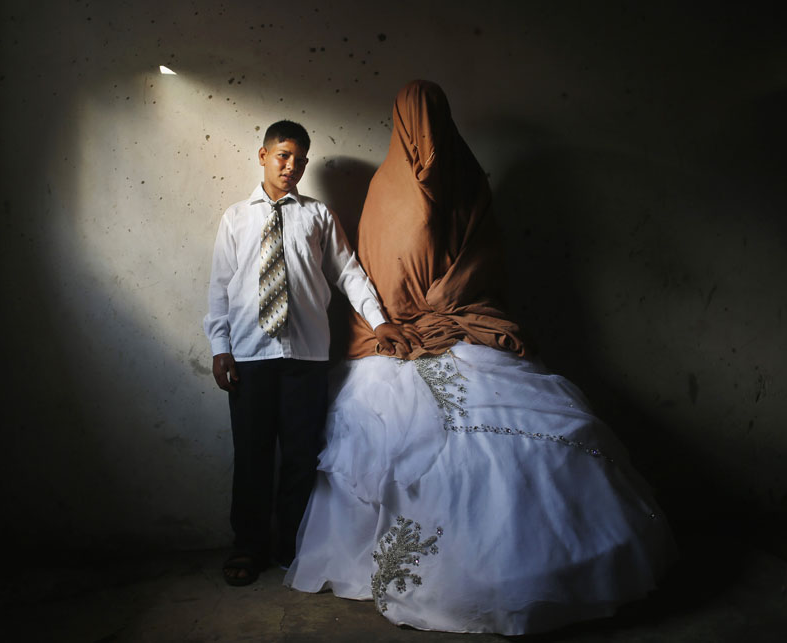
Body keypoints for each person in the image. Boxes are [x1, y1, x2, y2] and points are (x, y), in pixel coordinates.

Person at [284, 82, 676, 634]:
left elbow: (483, 266)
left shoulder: (468, 184)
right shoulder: (385, 192)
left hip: (468, 325)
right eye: (416, 123)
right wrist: (403, 322)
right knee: (404, 439)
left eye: (434, 121)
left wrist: (445, 311)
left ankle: (558, 567)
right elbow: (369, 276)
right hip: (399, 339)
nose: (426, 136)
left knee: (542, 439)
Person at [203, 120, 414, 587]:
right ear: (262, 156)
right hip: (251, 356)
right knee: (253, 455)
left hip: (307, 357)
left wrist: (378, 320)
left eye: (299, 159)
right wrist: (220, 348)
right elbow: (220, 288)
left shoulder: (318, 215)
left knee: (301, 456)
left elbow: (349, 273)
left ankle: (292, 546)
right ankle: (248, 546)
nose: (291, 166)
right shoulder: (236, 218)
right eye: (282, 156)